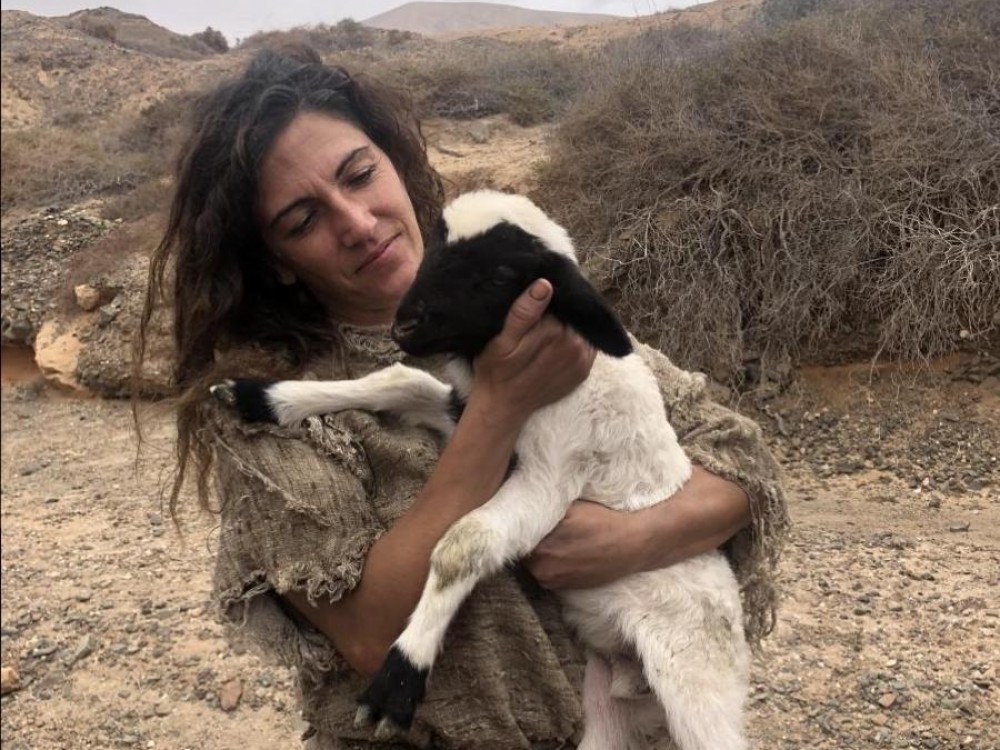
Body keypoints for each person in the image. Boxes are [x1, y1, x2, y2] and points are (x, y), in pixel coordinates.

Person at [135, 45, 788, 749]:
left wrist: (630, 539)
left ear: (396, 165)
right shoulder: (272, 405)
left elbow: (741, 463)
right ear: (278, 264)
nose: (358, 222)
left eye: (360, 174)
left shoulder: (526, 307)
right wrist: (500, 405)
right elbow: (368, 633)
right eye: (303, 221)